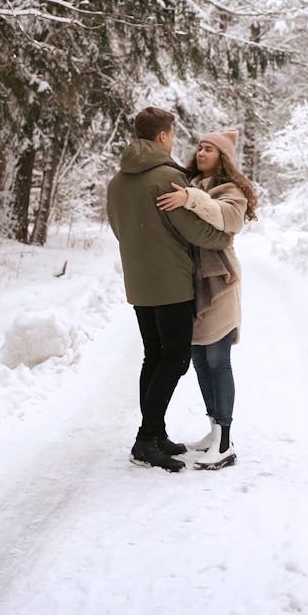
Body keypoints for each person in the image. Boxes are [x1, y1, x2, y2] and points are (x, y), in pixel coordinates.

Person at [106, 107, 231, 473]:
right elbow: (193, 229)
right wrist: (224, 236)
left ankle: (156, 433)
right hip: (172, 282)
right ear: (163, 136)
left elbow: (118, 228)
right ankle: (146, 439)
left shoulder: (117, 180)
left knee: (153, 356)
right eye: (172, 134)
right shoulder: (167, 178)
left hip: (139, 281)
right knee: (175, 359)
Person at [157, 129, 257, 469]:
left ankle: (226, 441)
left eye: (209, 149)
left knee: (218, 359)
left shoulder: (230, 191)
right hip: (192, 283)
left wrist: (190, 199)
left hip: (220, 284)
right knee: (200, 360)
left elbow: (226, 218)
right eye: (200, 147)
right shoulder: (192, 184)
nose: (201, 152)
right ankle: (214, 431)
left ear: (223, 158)